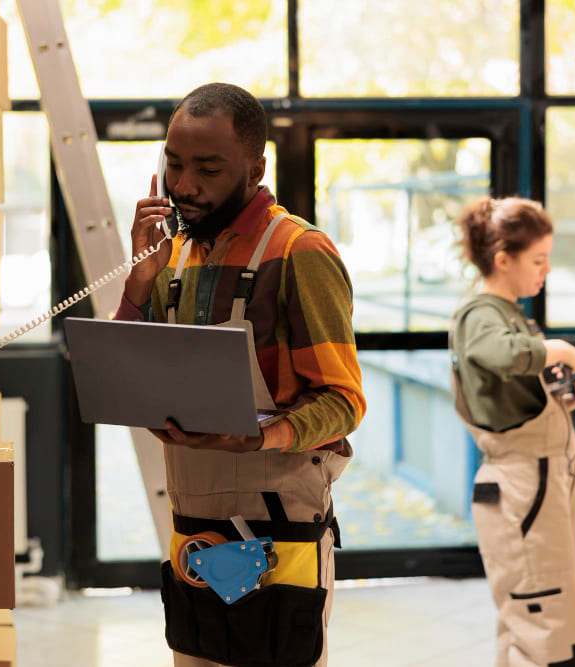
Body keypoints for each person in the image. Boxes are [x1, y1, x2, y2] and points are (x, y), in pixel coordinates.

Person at [113, 82, 366, 667]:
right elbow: (126, 373)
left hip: (276, 533)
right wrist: (138, 284)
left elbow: (344, 402)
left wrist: (260, 436)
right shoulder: (175, 253)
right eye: (173, 165)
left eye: (208, 169)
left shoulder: (299, 251)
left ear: (255, 169)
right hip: (191, 532)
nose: (184, 186)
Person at [448, 197, 575, 667]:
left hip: (540, 481)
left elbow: (516, 399)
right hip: (524, 485)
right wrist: (558, 349)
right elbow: (498, 354)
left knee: (547, 612)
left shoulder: (509, 314)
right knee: (539, 612)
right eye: (538, 261)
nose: (545, 271)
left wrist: (574, 396)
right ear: (503, 260)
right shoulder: (481, 315)